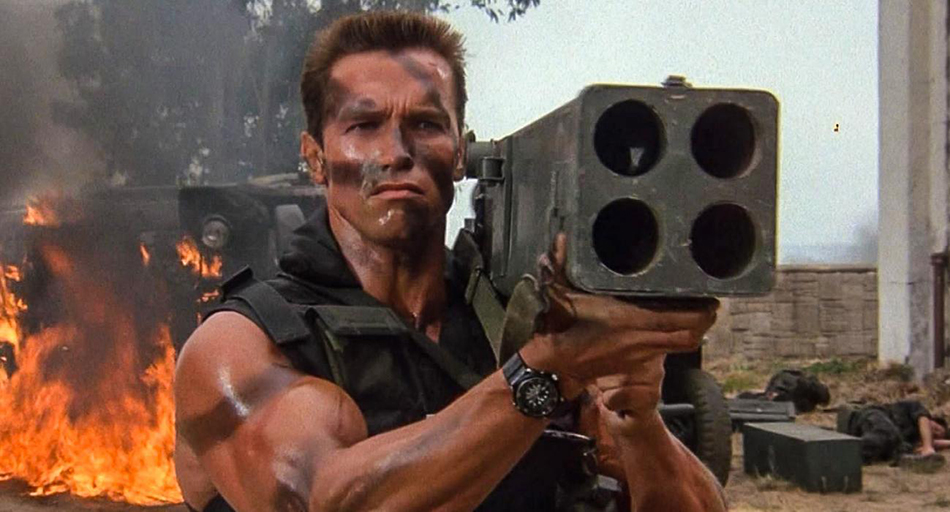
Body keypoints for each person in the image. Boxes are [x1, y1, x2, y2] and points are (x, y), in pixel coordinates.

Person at [173, 11, 725, 512]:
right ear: (316, 158)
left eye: (426, 125)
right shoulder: (240, 345)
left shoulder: (511, 322)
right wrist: (546, 373)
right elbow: (323, 499)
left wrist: (636, 420)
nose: (396, 153)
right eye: (364, 126)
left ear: (461, 153)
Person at [840, 400, 950, 466]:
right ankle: (840, 454)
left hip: (866, 435)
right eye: (936, 428)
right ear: (933, 419)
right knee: (887, 433)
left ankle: (842, 452)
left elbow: (932, 443)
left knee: (897, 448)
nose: (933, 431)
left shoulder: (913, 439)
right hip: (874, 415)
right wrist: (928, 446)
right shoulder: (917, 409)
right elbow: (924, 421)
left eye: (935, 435)